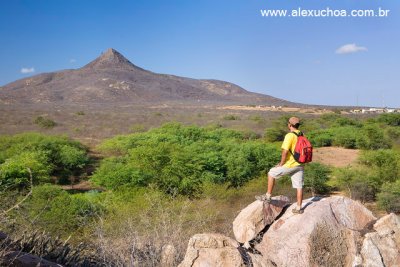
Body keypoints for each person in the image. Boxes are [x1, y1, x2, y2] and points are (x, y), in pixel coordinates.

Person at [256, 116, 305, 214]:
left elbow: (285, 151)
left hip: (290, 164)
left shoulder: (289, 135)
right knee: (299, 186)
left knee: (271, 173)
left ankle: (268, 196)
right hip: (300, 164)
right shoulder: (302, 134)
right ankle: (299, 208)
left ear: (289, 125)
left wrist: (281, 163)